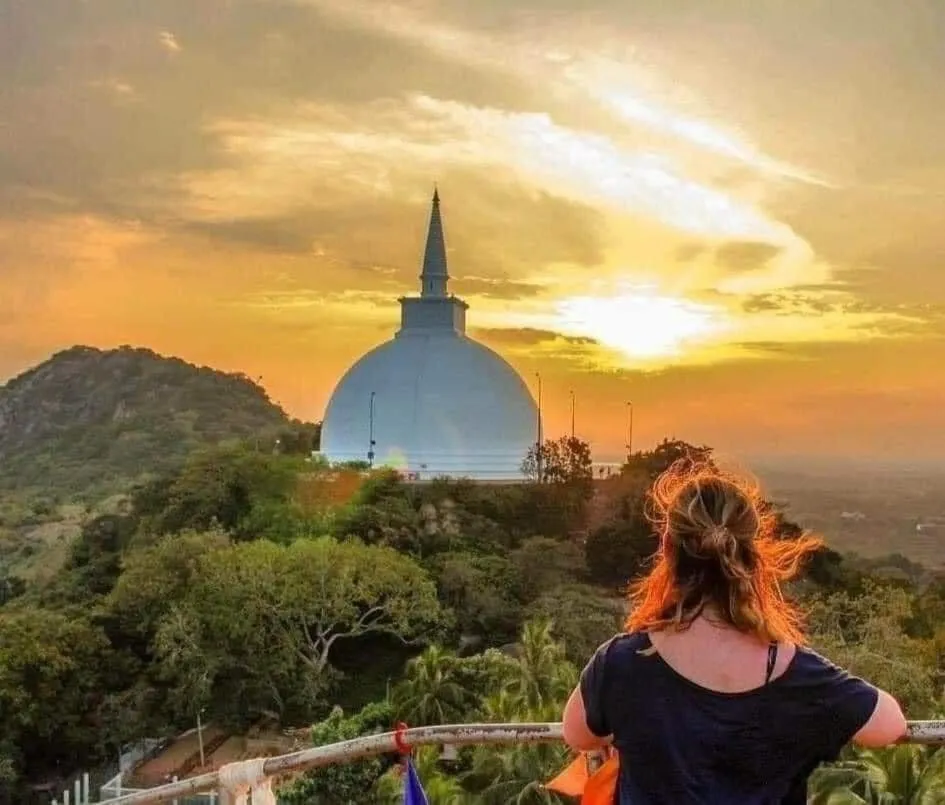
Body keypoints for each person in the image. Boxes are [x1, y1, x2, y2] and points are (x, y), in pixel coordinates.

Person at [562, 461, 906, 804]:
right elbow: (888, 726)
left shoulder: (622, 663)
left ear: (667, 548)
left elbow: (578, 734)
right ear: (752, 555)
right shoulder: (795, 675)